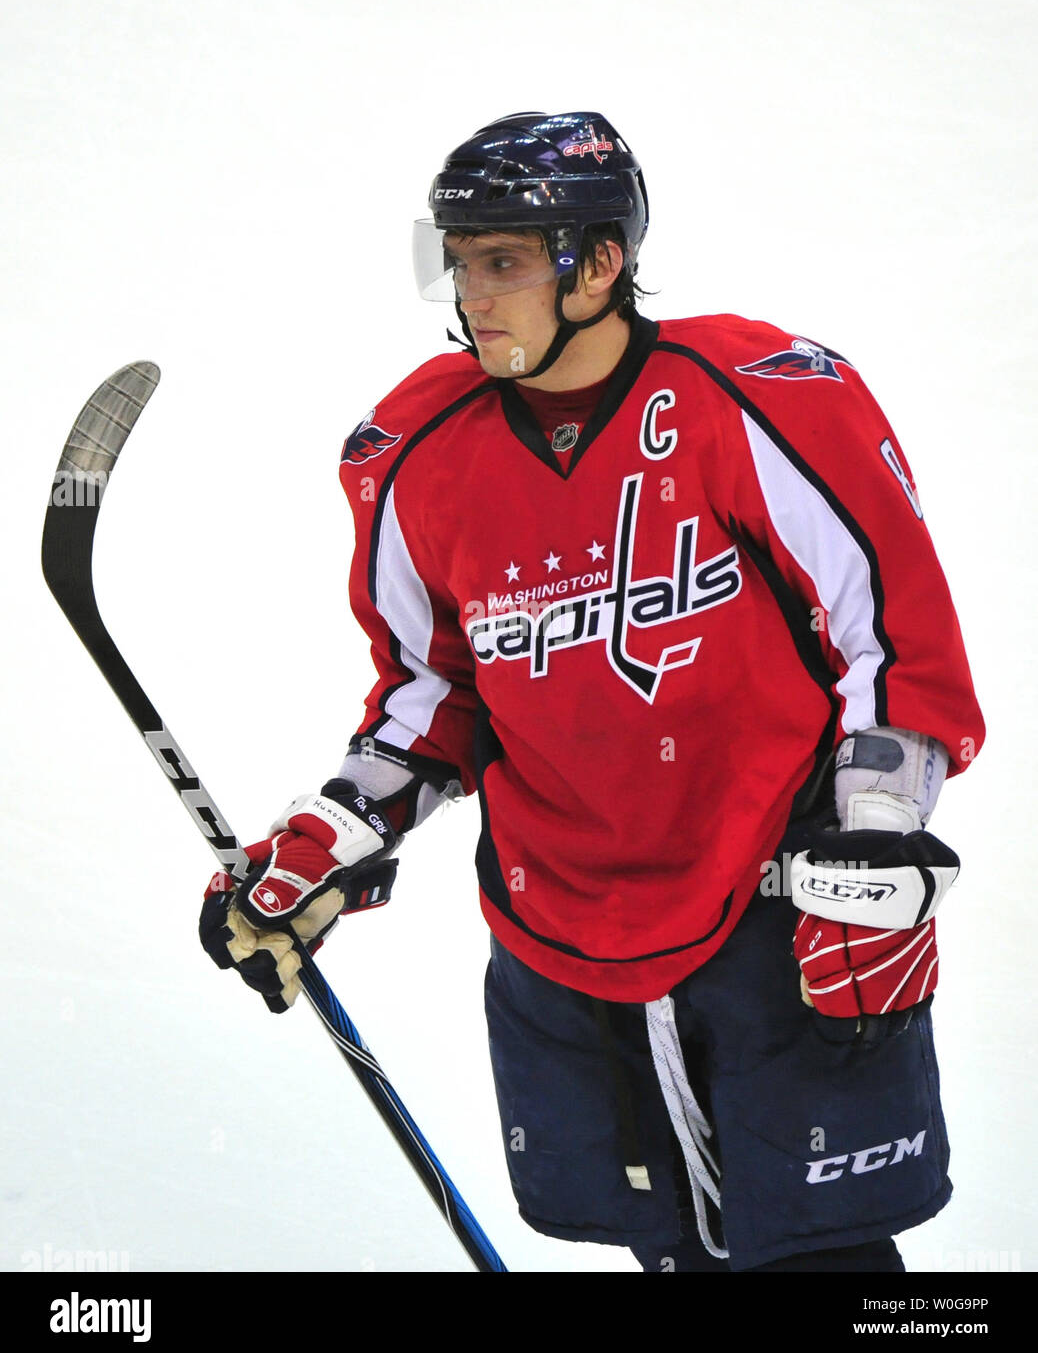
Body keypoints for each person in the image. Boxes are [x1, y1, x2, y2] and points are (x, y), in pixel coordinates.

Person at [199, 111, 985, 1272]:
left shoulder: (753, 400)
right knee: (663, 1256)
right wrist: (340, 827)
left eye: (504, 260)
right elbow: (433, 693)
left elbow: (896, 647)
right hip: (560, 936)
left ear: (601, 262)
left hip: (770, 920)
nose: (472, 294)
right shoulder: (416, 453)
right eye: (457, 260)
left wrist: (874, 849)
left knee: (831, 1267)